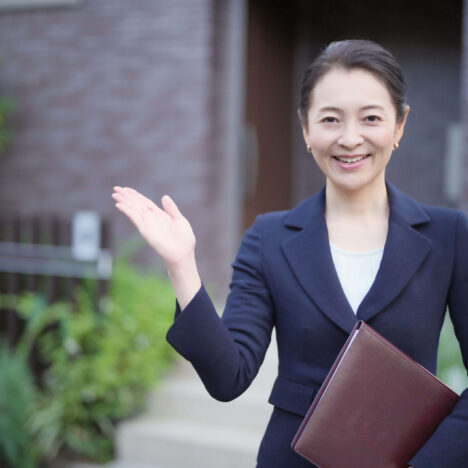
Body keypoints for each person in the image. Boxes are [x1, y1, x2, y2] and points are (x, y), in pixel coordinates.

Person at [112, 39, 468, 467]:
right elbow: (229, 377)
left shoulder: (449, 235)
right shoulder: (269, 237)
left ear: (399, 126)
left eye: (370, 118)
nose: (350, 138)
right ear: (305, 128)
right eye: (330, 119)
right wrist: (182, 266)